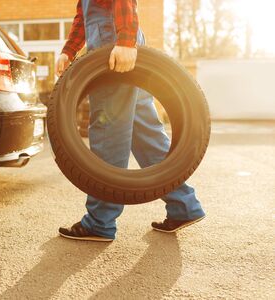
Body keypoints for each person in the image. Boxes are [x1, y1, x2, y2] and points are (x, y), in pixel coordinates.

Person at [57, 0, 206, 242]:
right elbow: (82, 16)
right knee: (144, 131)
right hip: (117, 41)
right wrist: (69, 50)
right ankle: (184, 205)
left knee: (108, 132)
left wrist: (125, 40)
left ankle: (99, 222)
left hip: (114, 46)